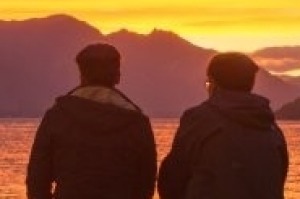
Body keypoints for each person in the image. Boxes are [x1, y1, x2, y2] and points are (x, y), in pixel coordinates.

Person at [26, 43, 157, 199]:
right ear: (117, 75)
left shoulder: (56, 117)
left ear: (82, 74)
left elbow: (37, 178)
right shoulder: (137, 123)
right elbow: (146, 182)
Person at [158, 52, 288, 199]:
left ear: (214, 84)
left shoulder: (200, 121)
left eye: (208, 83)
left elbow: (172, 179)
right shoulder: (272, 130)